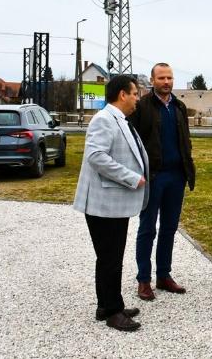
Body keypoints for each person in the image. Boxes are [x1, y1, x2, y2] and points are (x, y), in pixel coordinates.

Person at [73, 74, 149, 332]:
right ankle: (113, 312)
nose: (138, 98)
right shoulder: (105, 119)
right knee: (110, 258)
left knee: (109, 256)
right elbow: (96, 156)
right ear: (122, 95)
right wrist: (132, 178)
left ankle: (106, 304)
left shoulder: (119, 119)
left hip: (112, 203)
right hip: (103, 203)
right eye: (135, 93)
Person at [128, 63, 195, 301]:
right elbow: (132, 142)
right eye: (161, 78)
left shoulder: (178, 106)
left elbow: (185, 140)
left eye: (169, 78)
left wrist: (188, 168)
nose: (166, 82)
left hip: (176, 177)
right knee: (147, 229)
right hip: (153, 177)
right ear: (153, 80)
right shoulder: (142, 106)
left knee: (169, 228)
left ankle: (164, 276)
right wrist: (138, 173)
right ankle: (144, 280)